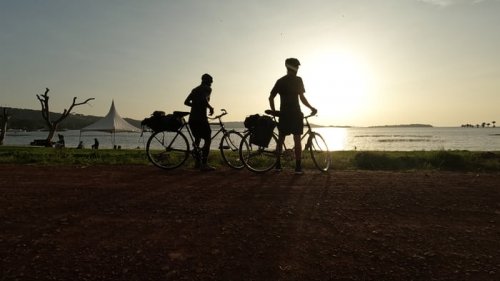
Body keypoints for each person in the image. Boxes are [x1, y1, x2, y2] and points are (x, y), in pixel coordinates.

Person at [269, 58, 317, 174]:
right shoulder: (298, 80)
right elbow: (302, 98)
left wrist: (274, 111)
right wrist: (311, 108)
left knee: (281, 139)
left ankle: (278, 165)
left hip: (284, 114)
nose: (298, 69)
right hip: (295, 113)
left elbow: (271, 97)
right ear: (293, 67)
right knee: (297, 140)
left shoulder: (280, 81)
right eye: (297, 66)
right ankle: (298, 168)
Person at [184, 73, 215, 171]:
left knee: (197, 139)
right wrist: (210, 107)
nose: (211, 83)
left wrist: (195, 105)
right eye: (211, 81)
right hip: (201, 119)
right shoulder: (207, 88)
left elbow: (186, 102)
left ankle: (197, 164)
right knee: (208, 139)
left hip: (192, 119)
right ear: (208, 81)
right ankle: (204, 164)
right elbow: (203, 99)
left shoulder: (195, 89)